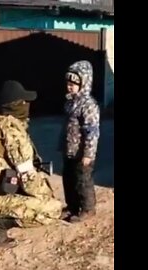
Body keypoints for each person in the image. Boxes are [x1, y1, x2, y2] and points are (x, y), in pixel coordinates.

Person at [0, 80, 63, 247]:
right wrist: (47, 197)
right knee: (52, 209)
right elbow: (28, 178)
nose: (27, 106)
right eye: (24, 102)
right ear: (16, 105)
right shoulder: (12, 131)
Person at [60, 60, 100, 223]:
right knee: (68, 179)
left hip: (82, 152)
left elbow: (92, 131)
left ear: (84, 83)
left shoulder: (89, 105)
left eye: (74, 83)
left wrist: (88, 154)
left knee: (83, 181)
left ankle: (88, 208)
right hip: (69, 150)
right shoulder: (70, 102)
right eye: (68, 82)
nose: (70, 86)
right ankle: (72, 206)